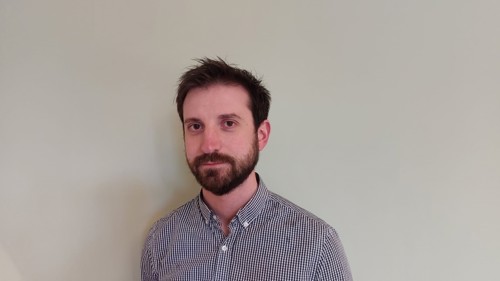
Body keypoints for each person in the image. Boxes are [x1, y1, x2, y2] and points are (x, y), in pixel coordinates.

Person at [141, 58, 353, 281]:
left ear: (261, 135)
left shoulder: (317, 244)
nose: (209, 144)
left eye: (228, 124)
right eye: (195, 126)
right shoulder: (161, 240)